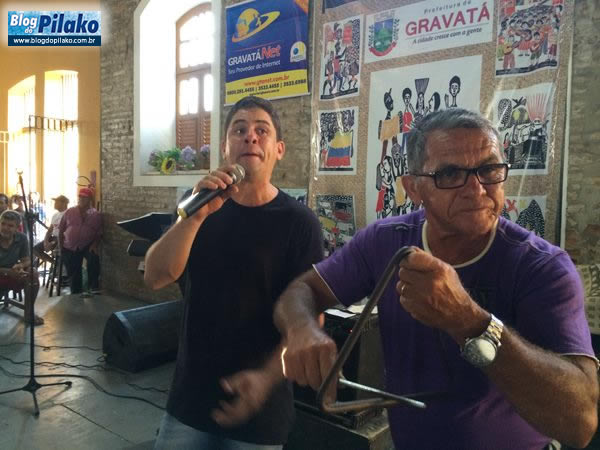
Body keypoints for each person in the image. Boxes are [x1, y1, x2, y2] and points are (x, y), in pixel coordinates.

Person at [274, 108, 599, 450]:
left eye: (488, 169)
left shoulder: (541, 267)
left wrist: (469, 320)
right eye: (450, 173)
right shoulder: (386, 242)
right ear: (413, 188)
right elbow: (300, 292)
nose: (476, 189)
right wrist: (303, 330)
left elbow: (580, 424)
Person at [145, 96, 323, 449]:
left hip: (261, 410)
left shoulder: (300, 223)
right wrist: (194, 217)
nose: (250, 137)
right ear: (225, 148)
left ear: (279, 149)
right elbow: (155, 276)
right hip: (190, 401)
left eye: (262, 130)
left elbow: (310, 320)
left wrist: (265, 379)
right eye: (239, 130)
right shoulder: (198, 204)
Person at [0, 210, 43, 325]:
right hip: (3, 273)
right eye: (3, 224)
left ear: (17, 228)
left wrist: (21, 265)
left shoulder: (22, 238)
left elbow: (27, 260)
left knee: (32, 274)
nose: (5, 228)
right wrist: (8, 272)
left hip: (13, 273)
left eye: (10, 226)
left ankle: (29, 313)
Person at [58, 187, 101, 295]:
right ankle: (76, 294)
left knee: (93, 258)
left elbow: (99, 233)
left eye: (84, 197)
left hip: (86, 245)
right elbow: (61, 230)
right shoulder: (70, 211)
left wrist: (94, 245)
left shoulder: (95, 214)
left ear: (90, 199)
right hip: (69, 246)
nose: (81, 199)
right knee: (74, 273)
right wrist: (60, 247)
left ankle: (93, 287)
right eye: (80, 196)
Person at [34, 195, 70, 264]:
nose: (55, 203)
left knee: (57, 246)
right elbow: (50, 230)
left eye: (57, 202)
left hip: (63, 238)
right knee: (35, 249)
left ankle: (59, 263)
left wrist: (52, 243)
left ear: (64, 203)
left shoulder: (68, 214)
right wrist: (46, 242)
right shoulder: (55, 215)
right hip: (54, 237)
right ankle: (54, 263)